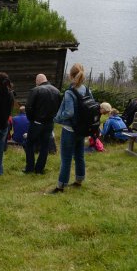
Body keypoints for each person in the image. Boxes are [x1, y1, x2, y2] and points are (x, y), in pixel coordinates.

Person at [49, 63, 90, 194]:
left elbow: (69, 112)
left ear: (71, 75)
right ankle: (79, 180)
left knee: (66, 158)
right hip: (82, 129)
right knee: (79, 155)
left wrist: (57, 118)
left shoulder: (69, 92)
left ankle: (60, 186)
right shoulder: (87, 90)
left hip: (70, 129)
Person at [24, 73, 60, 175]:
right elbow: (58, 107)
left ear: (38, 81)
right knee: (45, 145)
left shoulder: (35, 90)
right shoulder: (56, 91)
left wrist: (31, 119)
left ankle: (30, 167)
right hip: (49, 123)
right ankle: (39, 169)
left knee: (29, 144)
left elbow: (28, 107)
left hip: (37, 122)